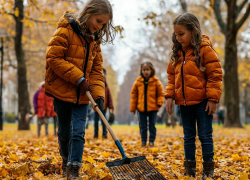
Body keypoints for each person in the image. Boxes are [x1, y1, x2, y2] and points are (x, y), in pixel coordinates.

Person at [44, 0, 115, 179]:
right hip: (62, 90)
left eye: (104, 24)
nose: (100, 26)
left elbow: (97, 70)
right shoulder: (65, 30)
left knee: (79, 132)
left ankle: (74, 169)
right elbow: (53, 57)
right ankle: (66, 161)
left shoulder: (95, 41)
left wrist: (99, 94)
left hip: (83, 95)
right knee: (65, 132)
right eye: (98, 21)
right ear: (88, 13)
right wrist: (78, 77)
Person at [165, 12, 223, 179]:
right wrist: (169, 96)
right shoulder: (177, 54)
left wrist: (213, 99)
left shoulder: (204, 50)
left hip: (203, 102)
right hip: (184, 103)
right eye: (176, 34)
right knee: (188, 137)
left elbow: (215, 74)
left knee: (205, 136)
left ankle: (208, 171)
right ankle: (189, 170)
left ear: (194, 31)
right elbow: (171, 77)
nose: (178, 38)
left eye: (181, 34)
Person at [130, 62, 164, 147]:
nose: (146, 71)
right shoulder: (138, 82)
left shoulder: (156, 81)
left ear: (151, 70)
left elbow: (161, 93)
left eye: (148, 69)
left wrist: (159, 104)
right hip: (141, 109)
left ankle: (151, 141)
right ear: (141, 71)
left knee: (152, 126)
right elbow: (134, 95)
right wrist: (133, 108)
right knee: (143, 126)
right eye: (144, 70)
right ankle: (144, 141)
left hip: (153, 108)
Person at [93, 68, 114, 139]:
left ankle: (104, 134)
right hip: (96, 107)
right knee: (96, 121)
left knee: (104, 121)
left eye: (103, 73)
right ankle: (96, 134)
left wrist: (111, 107)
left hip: (104, 107)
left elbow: (109, 98)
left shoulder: (106, 87)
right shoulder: (95, 84)